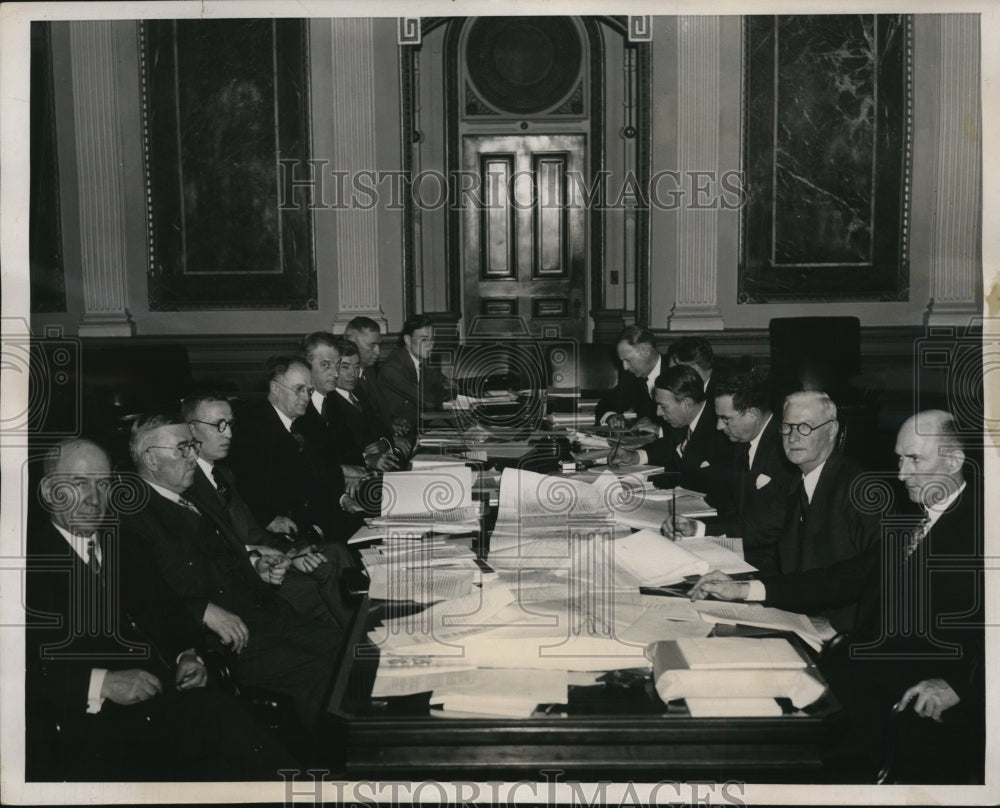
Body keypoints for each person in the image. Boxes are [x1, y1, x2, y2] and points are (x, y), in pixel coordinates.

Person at [689, 410, 984, 783]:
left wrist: (961, 688)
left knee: (766, 748)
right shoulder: (914, 516)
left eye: (914, 459)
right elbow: (844, 578)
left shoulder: (985, 528)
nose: (901, 473)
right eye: (899, 458)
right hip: (858, 669)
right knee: (736, 698)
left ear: (954, 460)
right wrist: (745, 589)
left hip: (907, 702)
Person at [25, 438, 294, 780]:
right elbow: (18, 671)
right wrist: (102, 683)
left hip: (167, 703)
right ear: (50, 491)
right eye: (80, 484)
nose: (95, 499)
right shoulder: (23, 565)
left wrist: (187, 654)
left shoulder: (125, 543)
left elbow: (165, 611)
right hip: (89, 730)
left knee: (244, 742)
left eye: (103, 484)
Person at [119, 413, 344, 728]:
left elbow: (227, 553)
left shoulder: (195, 495)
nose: (193, 456)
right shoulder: (134, 519)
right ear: (150, 459)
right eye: (182, 448)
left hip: (267, 615)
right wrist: (201, 611)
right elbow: (139, 596)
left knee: (348, 648)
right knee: (323, 675)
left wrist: (257, 567)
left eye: (193, 446)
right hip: (228, 643)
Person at [183, 391, 357, 627]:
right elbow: (219, 552)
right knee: (330, 586)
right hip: (248, 577)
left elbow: (253, 532)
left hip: (268, 558)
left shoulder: (222, 474)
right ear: (191, 430)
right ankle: (355, 636)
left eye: (230, 424)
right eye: (219, 425)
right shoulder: (188, 484)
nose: (229, 433)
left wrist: (294, 551)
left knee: (336, 552)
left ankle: (357, 629)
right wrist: (279, 557)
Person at [661, 367, 797, 575]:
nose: (718, 426)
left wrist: (701, 530)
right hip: (750, 549)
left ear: (752, 414)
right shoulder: (743, 443)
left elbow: (765, 530)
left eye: (726, 419)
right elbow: (734, 510)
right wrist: (694, 527)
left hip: (773, 566)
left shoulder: (785, 452)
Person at [228, 356, 362, 544]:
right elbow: (245, 486)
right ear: (275, 388)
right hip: (289, 528)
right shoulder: (252, 428)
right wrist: (267, 518)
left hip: (318, 513)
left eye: (309, 390)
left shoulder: (304, 423)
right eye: (299, 389)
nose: (306, 397)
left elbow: (317, 472)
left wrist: (342, 498)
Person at [611, 364, 736, 509]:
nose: (658, 413)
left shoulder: (722, 429)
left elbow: (698, 478)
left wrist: (648, 482)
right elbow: (669, 444)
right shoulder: (686, 420)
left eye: (663, 406)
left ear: (686, 403)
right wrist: (635, 456)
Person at [378, 314, 454, 429]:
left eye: (432, 339)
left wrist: (441, 390)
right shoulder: (392, 368)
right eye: (424, 339)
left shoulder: (424, 363)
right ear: (407, 340)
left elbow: (450, 385)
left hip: (421, 424)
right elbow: (427, 401)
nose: (430, 344)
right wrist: (438, 391)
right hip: (399, 432)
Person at [594, 326, 665, 433]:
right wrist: (611, 416)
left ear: (645, 350)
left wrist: (660, 430)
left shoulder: (676, 371)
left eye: (627, 360)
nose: (625, 367)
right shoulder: (632, 377)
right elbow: (605, 404)